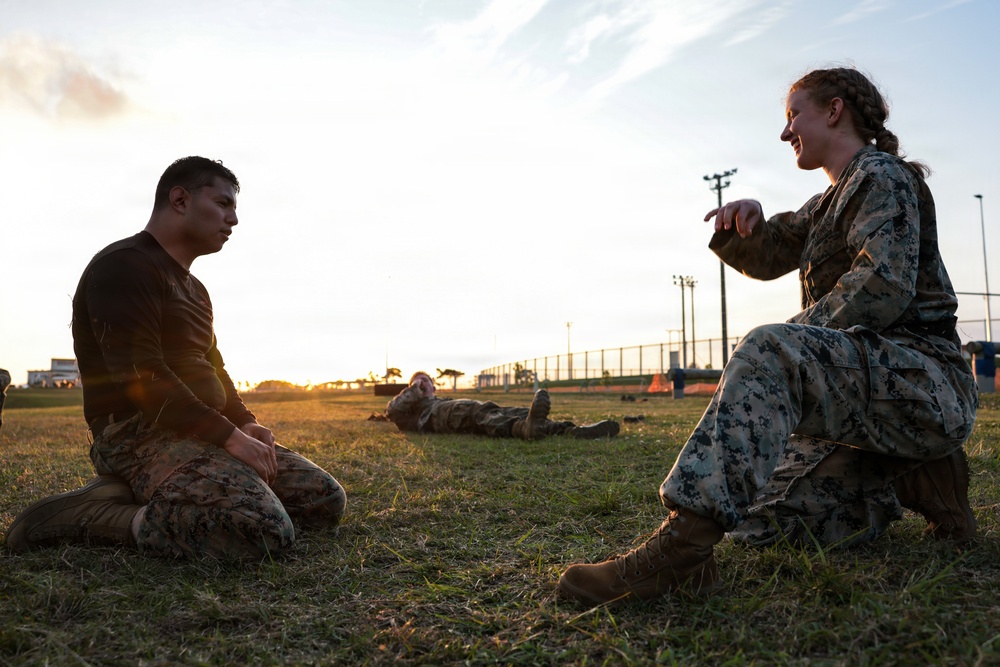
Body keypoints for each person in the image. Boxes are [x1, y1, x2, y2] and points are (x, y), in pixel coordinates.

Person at [557, 67, 979, 606]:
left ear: (833, 111)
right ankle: (915, 474)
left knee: (768, 346)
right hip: (873, 393)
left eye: (793, 115)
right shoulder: (827, 202)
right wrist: (748, 225)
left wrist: (787, 349)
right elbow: (775, 251)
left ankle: (682, 553)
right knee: (760, 522)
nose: (785, 133)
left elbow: (882, 285)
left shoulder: (883, 177)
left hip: (923, 382)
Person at [5, 157, 346, 559]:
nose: (233, 219)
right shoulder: (125, 266)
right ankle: (99, 513)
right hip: (136, 433)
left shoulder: (197, 290)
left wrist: (246, 423)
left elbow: (214, 368)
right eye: (223, 203)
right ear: (180, 199)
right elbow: (143, 378)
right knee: (263, 527)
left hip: (201, 430)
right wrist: (228, 436)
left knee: (323, 500)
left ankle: (152, 491)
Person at [386, 371, 621, 440]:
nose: (422, 383)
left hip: (462, 408)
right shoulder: (414, 411)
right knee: (479, 414)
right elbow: (392, 411)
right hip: (443, 416)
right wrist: (412, 390)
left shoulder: (441, 400)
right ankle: (524, 429)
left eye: (426, 380)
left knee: (510, 411)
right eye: (417, 382)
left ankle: (568, 430)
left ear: (435, 388)